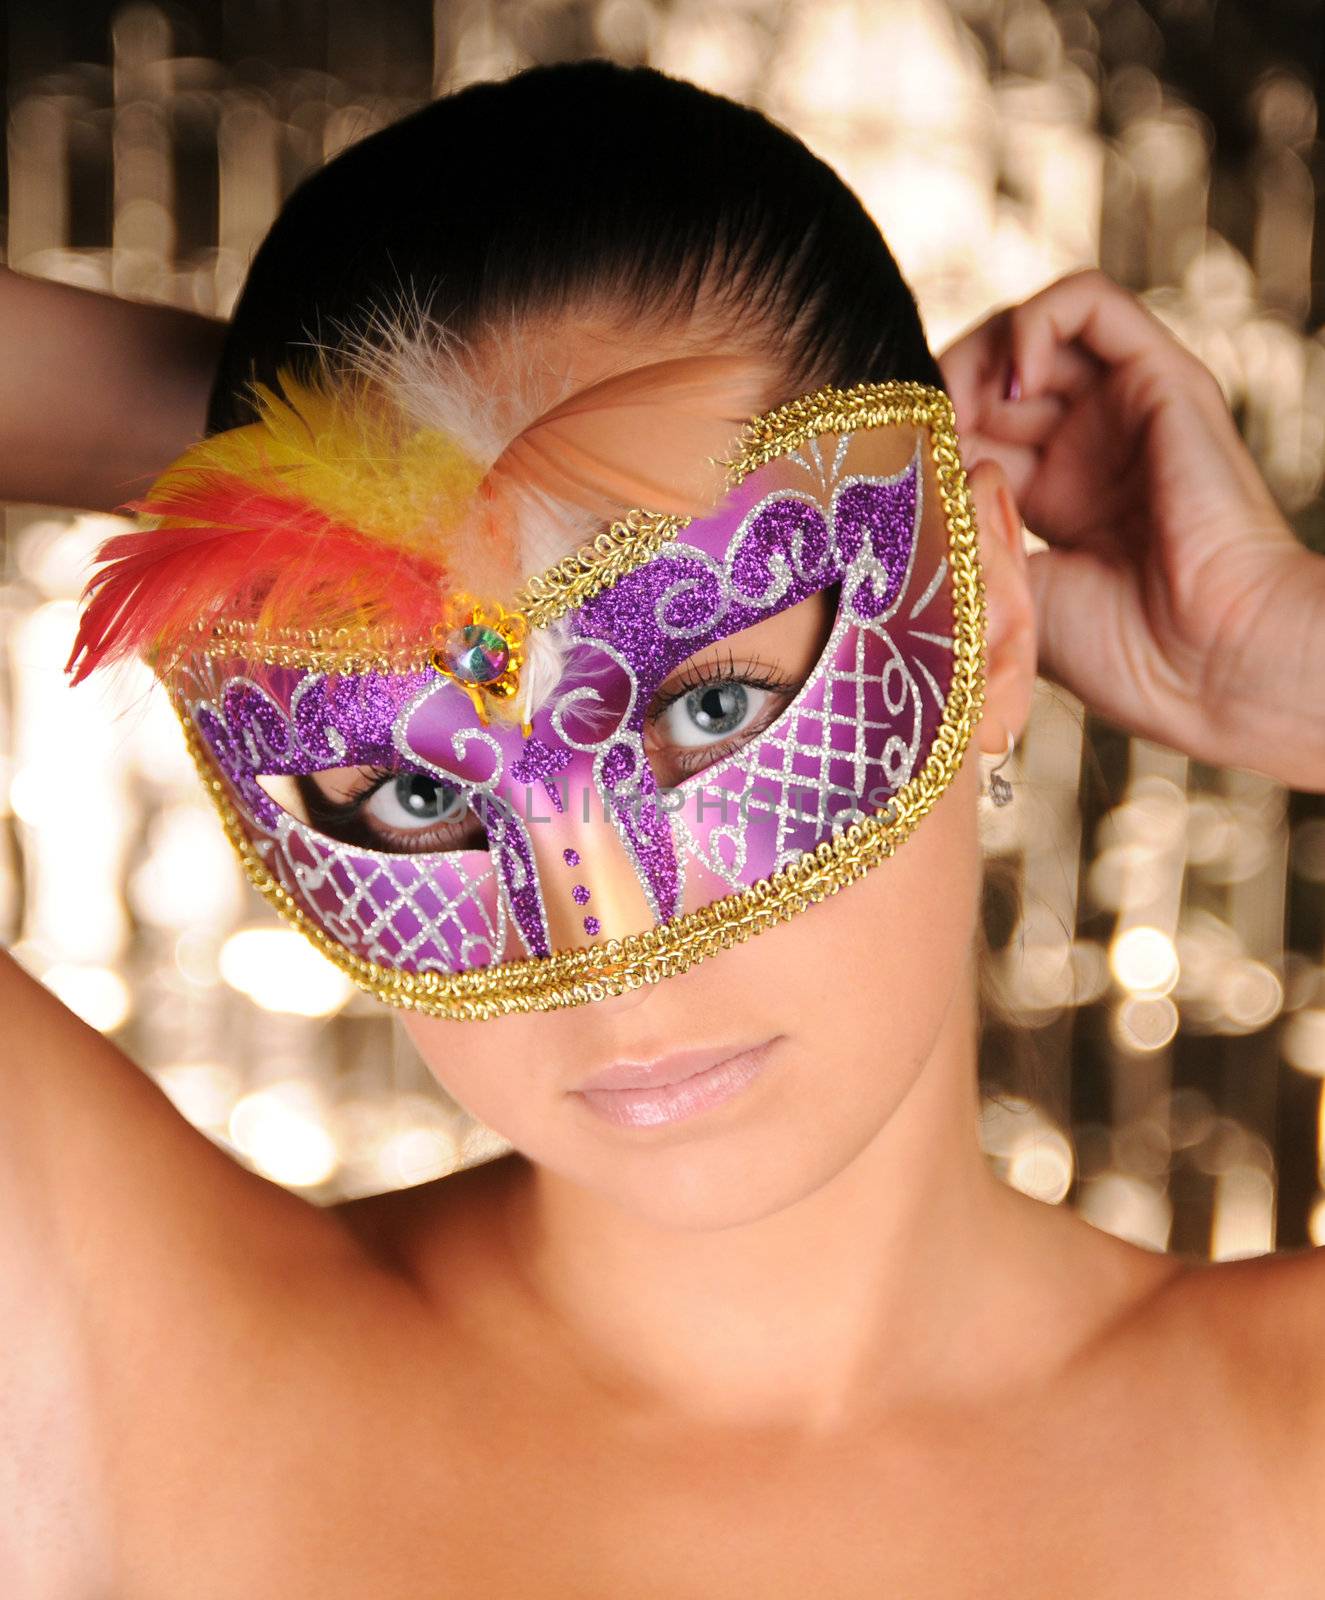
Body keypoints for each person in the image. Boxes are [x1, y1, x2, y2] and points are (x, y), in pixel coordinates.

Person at [4, 58, 1325, 1598]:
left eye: (707, 708)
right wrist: (280, 475)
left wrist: (1286, 668)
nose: (606, 954)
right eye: (422, 791)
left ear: (987, 614)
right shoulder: (126, 1367)